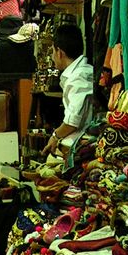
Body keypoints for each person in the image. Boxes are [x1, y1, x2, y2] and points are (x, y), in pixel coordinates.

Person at [42, 23, 95, 158]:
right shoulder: (80, 73)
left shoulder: (78, 77)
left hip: (85, 144)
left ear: (60, 52)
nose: (53, 57)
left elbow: (72, 122)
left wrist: (55, 136)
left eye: (53, 51)